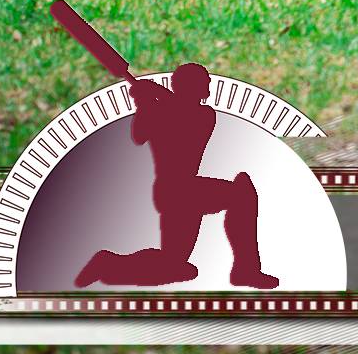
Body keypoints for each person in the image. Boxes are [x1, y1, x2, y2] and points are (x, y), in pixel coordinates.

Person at [72, 62, 276, 290]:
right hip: (179, 191)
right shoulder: (164, 110)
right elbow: (139, 135)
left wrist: (154, 96)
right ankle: (246, 270)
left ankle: (109, 262)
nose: (208, 86)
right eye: (203, 83)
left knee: (177, 266)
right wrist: (144, 103)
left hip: (181, 192)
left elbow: (184, 115)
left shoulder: (203, 115)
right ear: (192, 86)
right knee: (242, 194)